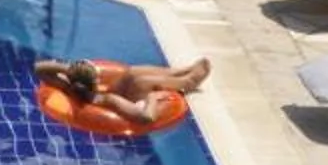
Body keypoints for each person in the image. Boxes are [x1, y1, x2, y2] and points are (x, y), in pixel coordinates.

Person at [34, 56, 210, 127]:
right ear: (95, 82)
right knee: (143, 83)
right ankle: (187, 82)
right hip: (133, 105)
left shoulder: (69, 88)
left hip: (114, 97)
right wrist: (153, 98)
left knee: (131, 73)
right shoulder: (110, 100)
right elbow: (146, 118)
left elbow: (39, 69)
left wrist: (69, 69)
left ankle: (181, 71)